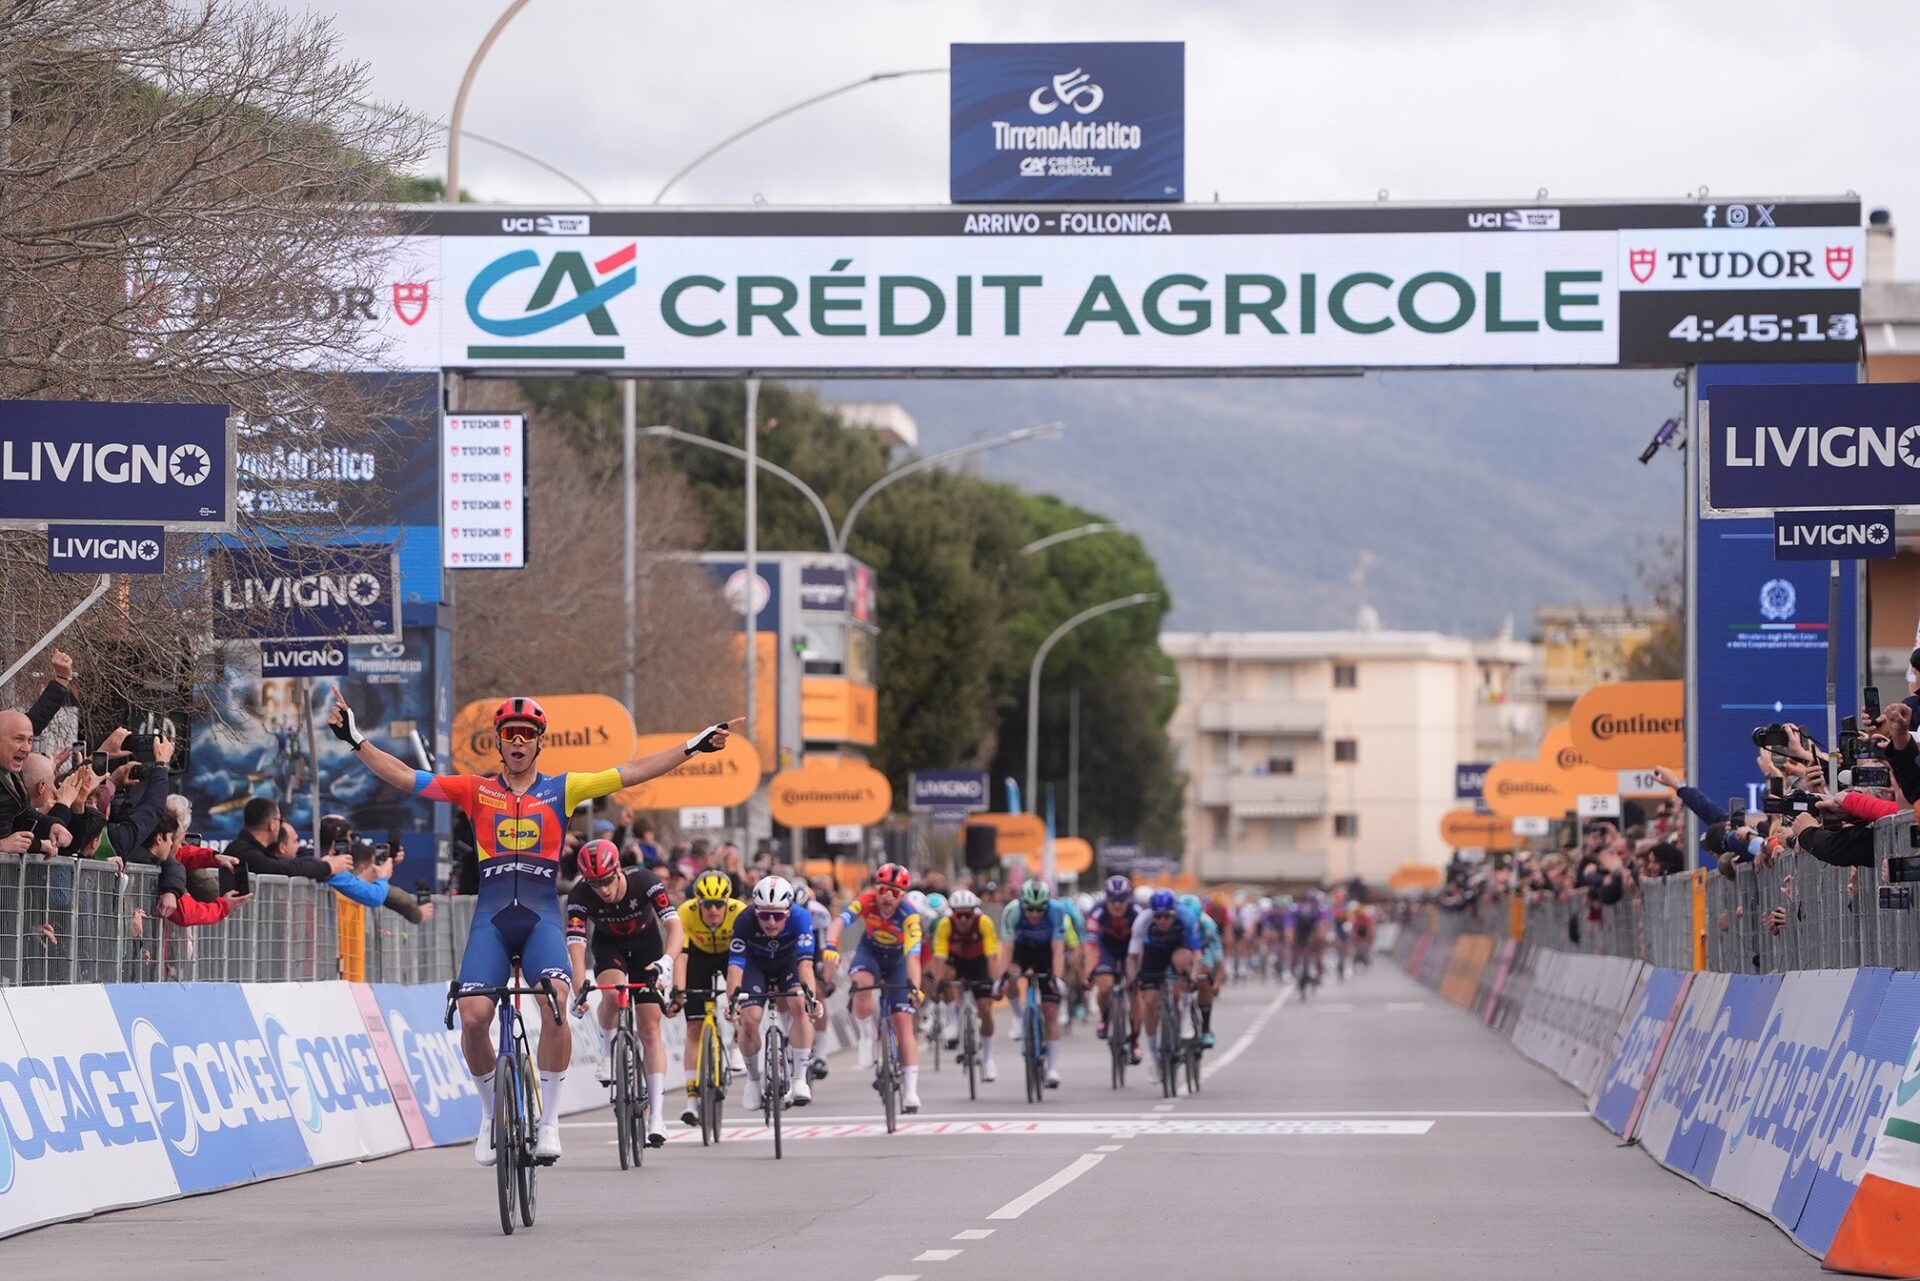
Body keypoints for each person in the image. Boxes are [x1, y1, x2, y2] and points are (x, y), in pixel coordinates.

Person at [327, 688, 737, 1165]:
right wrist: (356, 739)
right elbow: (404, 777)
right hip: (493, 919)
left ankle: (549, 1123)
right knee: (474, 1016)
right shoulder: (475, 790)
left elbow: (634, 771)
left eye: (527, 735)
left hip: (541, 917)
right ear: (499, 744)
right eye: (509, 734)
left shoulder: (565, 788)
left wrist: (692, 746)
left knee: (556, 1003)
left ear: (540, 743)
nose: (518, 742)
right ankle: (489, 1114)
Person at [566, 837, 682, 1147]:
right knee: (612, 993)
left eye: (606, 881)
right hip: (610, 947)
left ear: (618, 870)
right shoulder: (579, 894)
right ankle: (606, 1055)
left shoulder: (644, 881)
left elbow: (674, 926)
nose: (602, 889)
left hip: (647, 948)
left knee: (650, 1028)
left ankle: (657, 1117)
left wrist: (667, 962)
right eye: (594, 884)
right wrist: (578, 984)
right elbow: (576, 945)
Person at [821, 862, 925, 1112]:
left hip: (898, 960)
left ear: (904, 895)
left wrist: (915, 988)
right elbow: (838, 923)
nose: (888, 897)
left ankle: (911, 1091)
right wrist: (831, 947)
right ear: (876, 888)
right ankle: (867, 1036)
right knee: (861, 986)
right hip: (871, 954)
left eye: (895, 893)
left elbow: (913, 957)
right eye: (883, 890)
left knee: (903, 1021)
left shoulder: (909, 916)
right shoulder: (866, 900)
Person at [724, 875, 820, 1110]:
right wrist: (733, 1001)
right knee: (749, 1020)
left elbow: (805, 966)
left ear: (788, 911)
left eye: (777, 915)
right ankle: (753, 1080)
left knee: (799, 1006)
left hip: (788, 965)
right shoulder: (745, 920)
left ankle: (799, 1078)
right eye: (765, 915)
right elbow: (735, 967)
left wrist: (811, 1000)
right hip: (756, 967)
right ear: (756, 911)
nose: (771, 922)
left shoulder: (801, 917)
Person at [670, 870, 746, 1127]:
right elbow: (681, 955)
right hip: (698, 958)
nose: (713, 910)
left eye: (719, 904)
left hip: (730, 956)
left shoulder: (740, 912)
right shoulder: (685, 912)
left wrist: (736, 996)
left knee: (742, 999)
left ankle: (736, 1045)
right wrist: (679, 991)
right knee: (694, 1027)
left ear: (728, 902)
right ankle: (691, 1101)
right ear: (697, 902)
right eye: (707, 904)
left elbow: (743, 962)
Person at [996, 879, 1071, 1088]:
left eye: (1040, 909)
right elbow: (1007, 948)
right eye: (1030, 908)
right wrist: (1000, 978)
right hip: (1022, 950)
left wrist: (1057, 977)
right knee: (1010, 974)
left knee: (1050, 1012)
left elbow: (1058, 950)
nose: (1035, 914)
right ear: (1022, 903)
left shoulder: (1056, 911)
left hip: (1046, 953)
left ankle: (1053, 1068)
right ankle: (1018, 1017)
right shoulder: (1012, 911)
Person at [1129, 888, 1202, 1078]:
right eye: (1158, 917)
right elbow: (1133, 956)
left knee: (1182, 968)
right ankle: (1155, 1058)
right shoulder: (1143, 922)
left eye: (1166, 917)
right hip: (1154, 953)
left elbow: (1196, 955)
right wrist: (1132, 978)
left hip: (1178, 948)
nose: (1161, 921)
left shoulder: (1186, 918)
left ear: (1175, 913)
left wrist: (1192, 978)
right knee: (1150, 1001)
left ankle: (1184, 1020)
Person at [932, 887, 1001, 1081]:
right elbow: (939, 958)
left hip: (979, 961)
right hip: (957, 960)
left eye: (967, 915)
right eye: (958, 915)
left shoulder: (984, 922)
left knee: (985, 1010)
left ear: (974, 912)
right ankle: (953, 1023)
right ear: (952, 913)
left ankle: (988, 1060)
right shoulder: (945, 924)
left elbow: (992, 957)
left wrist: (995, 983)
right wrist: (938, 984)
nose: (962, 919)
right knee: (946, 977)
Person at [1087, 876, 1143, 1058]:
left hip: (1130, 949)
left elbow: (1144, 947)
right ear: (1106, 898)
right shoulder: (1097, 912)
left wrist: (1141, 973)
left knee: (1135, 991)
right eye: (1112, 900)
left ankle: (1135, 1039)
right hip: (1107, 948)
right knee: (1104, 985)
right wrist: (1089, 970)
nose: (1117, 905)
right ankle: (1105, 1017)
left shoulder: (1137, 911)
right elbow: (1090, 946)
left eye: (1121, 900)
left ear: (1128, 898)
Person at [1180, 893, 1223, 1048]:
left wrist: (1217, 981)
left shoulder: (1208, 924)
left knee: (1204, 977)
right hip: (1183, 950)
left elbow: (1218, 954)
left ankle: (1205, 1029)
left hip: (1204, 951)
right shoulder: (1174, 921)